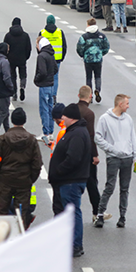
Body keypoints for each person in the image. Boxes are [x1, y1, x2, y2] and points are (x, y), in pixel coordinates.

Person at [48, 103, 92, 258]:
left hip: (71, 181)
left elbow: (73, 158)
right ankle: (68, 242)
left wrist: (58, 171)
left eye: (64, 116)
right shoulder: (74, 131)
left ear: (71, 117)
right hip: (68, 181)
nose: (62, 119)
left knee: (73, 214)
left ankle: (75, 245)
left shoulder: (77, 134)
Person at [0, 108, 42, 229]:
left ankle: (1, 240)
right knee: (20, 215)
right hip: (23, 183)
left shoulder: (3, 139)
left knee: (0, 213)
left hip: (5, 181)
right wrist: (29, 180)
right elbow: (37, 165)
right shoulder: (31, 140)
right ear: (24, 121)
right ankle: (18, 239)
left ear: (12, 120)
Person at [94, 94, 136, 229]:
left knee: (124, 189)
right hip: (113, 158)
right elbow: (98, 137)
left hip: (127, 158)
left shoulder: (128, 119)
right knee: (110, 186)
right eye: (127, 104)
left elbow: (133, 138)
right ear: (120, 104)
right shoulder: (105, 119)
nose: (128, 106)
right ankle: (100, 214)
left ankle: (122, 217)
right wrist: (111, 149)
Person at [75, 85, 103, 226]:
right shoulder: (89, 113)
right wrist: (95, 155)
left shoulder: (73, 110)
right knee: (92, 182)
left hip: (73, 152)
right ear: (90, 96)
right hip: (86, 153)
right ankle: (96, 212)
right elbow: (91, 135)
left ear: (78, 95)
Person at [76, 18, 110, 102]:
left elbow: (79, 47)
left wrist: (83, 55)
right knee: (98, 76)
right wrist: (101, 54)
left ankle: (89, 95)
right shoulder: (101, 36)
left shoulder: (84, 37)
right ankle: (97, 89)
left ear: (88, 25)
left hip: (88, 60)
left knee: (89, 77)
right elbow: (106, 47)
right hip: (98, 59)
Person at [34, 36, 58, 146]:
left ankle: (45, 132)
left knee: (43, 109)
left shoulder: (41, 56)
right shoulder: (51, 54)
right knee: (49, 108)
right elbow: (55, 69)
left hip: (44, 85)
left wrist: (37, 79)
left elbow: (42, 72)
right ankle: (50, 132)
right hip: (51, 85)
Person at [0, 43, 15, 139]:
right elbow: (7, 77)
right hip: (4, 89)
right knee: (3, 112)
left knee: (5, 111)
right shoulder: (4, 62)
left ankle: (7, 131)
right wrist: (11, 87)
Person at [3, 18, 31, 101]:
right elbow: (28, 48)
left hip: (11, 59)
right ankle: (22, 86)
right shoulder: (25, 35)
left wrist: (7, 57)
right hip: (22, 59)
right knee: (23, 75)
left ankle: (14, 92)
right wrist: (26, 57)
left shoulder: (8, 35)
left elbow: (4, 47)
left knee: (12, 76)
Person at [40, 15, 67, 103]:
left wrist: (41, 57)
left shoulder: (42, 32)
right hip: (57, 59)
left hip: (45, 59)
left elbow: (38, 46)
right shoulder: (60, 32)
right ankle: (53, 95)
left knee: (46, 77)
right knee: (55, 77)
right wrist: (61, 58)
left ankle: (47, 95)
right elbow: (64, 46)